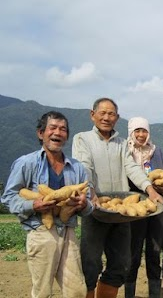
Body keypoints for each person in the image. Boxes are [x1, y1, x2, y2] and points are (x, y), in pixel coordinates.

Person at [72, 98, 163, 298]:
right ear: (92, 114)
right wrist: (91, 191)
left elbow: (131, 168)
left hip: (121, 214)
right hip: (94, 210)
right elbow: (84, 166)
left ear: (117, 118)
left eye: (111, 114)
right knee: (91, 263)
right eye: (102, 113)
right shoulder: (82, 139)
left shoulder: (122, 144)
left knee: (121, 263)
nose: (106, 117)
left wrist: (150, 189)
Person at [1, 111, 93, 298]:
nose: (58, 133)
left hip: (68, 232)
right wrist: (33, 205)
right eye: (52, 128)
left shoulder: (77, 167)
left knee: (77, 291)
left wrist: (83, 204)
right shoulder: (27, 163)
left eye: (63, 129)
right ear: (40, 133)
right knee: (42, 292)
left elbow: (89, 205)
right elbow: (9, 197)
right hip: (41, 231)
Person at [124, 117, 163, 298]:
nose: (141, 135)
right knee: (132, 254)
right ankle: (129, 294)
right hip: (134, 207)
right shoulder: (125, 151)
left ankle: (154, 294)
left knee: (154, 252)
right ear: (131, 132)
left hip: (157, 208)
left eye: (144, 131)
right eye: (137, 131)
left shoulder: (157, 152)